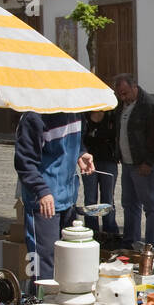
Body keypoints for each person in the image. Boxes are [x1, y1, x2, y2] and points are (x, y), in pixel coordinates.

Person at [15, 111, 94, 281]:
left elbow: (75, 141)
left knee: (68, 259)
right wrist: (41, 190)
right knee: (44, 262)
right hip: (44, 201)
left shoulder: (75, 111)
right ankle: (42, 303)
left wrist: (81, 154)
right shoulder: (34, 117)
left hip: (67, 196)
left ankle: (62, 303)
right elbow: (24, 162)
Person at [113, 74, 154, 248]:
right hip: (127, 163)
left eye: (125, 93)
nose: (123, 97)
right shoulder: (121, 106)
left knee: (151, 206)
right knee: (129, 204)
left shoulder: (148, 105)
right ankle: (130, 241)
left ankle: (153, 244)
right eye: (120, 94)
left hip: (143, 164)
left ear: (135, 87)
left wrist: (149, 162)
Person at [81, 95, 120, 242]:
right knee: (90, 199)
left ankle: (110, 232)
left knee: (108, 198)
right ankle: (92, 232)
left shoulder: (111, 115)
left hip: (108, 161)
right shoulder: (84, 116)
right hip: (89, 162)